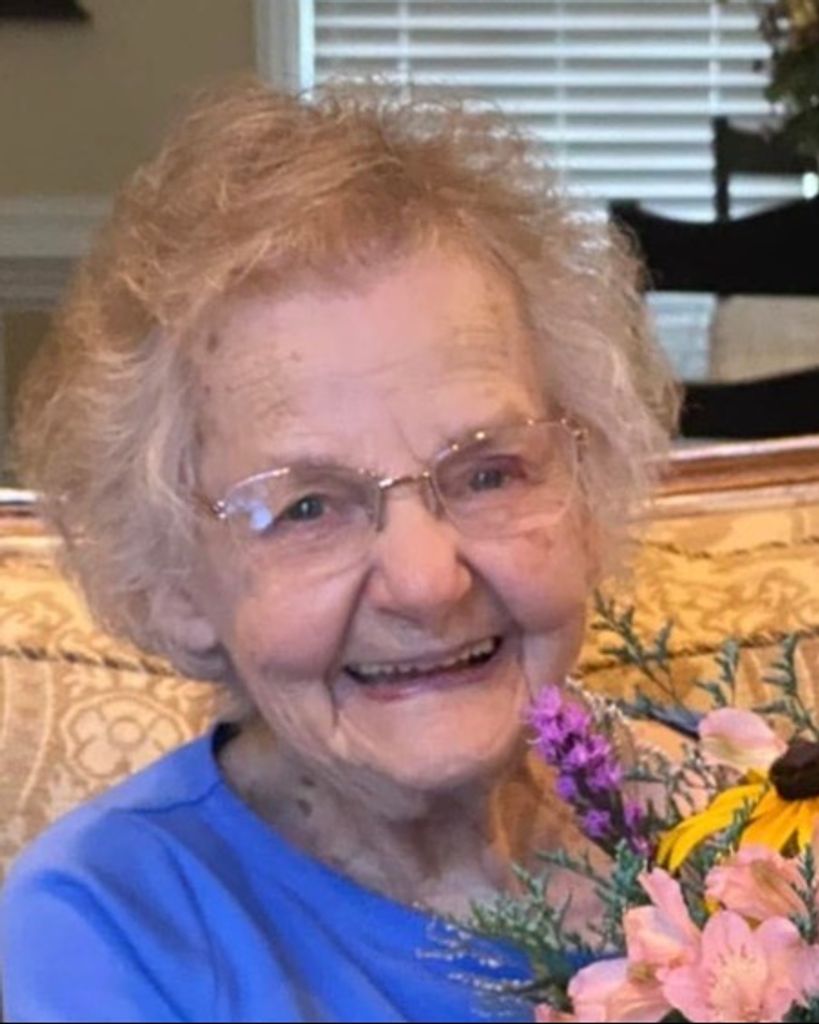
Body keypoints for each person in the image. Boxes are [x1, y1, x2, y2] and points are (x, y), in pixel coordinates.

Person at [0, 76, 676, 1023]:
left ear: (587, 489)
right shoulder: (105, 935)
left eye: (488, 473)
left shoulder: (734, 824)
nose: (426, 581)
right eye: (309, 507)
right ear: (176, 583)